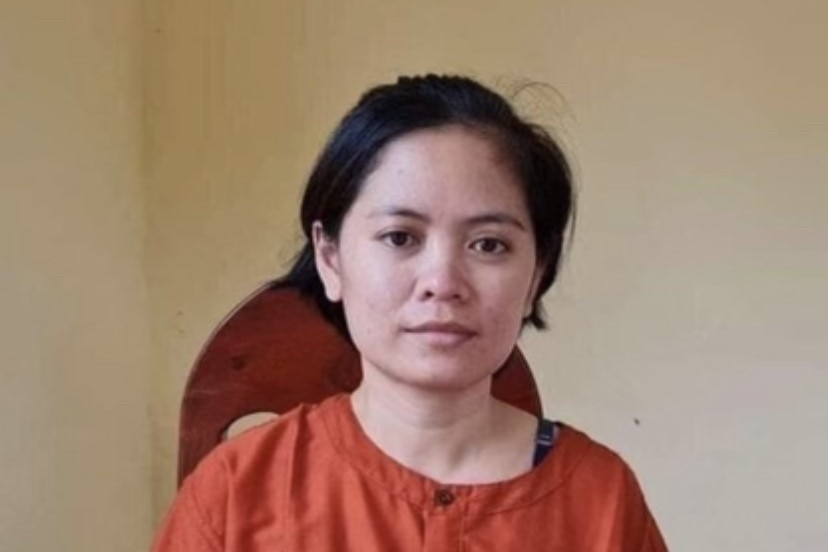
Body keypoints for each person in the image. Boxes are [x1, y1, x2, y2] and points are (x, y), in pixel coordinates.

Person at [151, 74, 668, 551]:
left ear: (536, 274)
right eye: (400, 237)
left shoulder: (603, 500)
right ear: (330, 258)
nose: (442, 282)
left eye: (489, 244)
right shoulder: (236, 493)